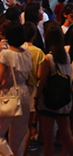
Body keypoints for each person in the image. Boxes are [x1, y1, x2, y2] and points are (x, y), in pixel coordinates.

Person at [0, 21, 31, 156]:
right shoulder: (27, 53)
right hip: (24, 92)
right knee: (18, 135)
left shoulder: (5, 54)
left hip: (9, 93)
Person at [35, 21, 73, 156]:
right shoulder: (66, 55)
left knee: (48, 138)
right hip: (64, 99)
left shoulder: (48, 58)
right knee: (66, 134)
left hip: (49, 101)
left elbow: (43, 80)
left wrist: (36, 97)